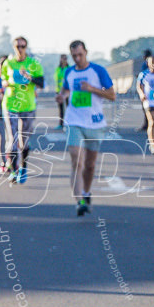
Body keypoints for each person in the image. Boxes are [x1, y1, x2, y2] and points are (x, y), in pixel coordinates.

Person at [58, 40, 116, 216]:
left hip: (95, 123)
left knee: (90, 164)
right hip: (73, 121)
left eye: (80, 55)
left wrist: (92, 89)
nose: (77, 58)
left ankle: (86, 192)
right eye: (74, 55)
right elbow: (66, 90)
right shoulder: (69, 72)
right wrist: (61, 97)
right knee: (77, 160)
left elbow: (112, 95)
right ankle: (80, 202)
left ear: (86, 52)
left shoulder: (98, 71)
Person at [0, 35, 45, 183]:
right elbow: (3, 78)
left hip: (28, 106)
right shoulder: (8, 63)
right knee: (12, 140)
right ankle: (13, 170)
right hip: (11, 105)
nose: (20, 49)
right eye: (17, 46)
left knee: (23, 142)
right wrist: (5, 82)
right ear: (13, 48)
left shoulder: (33, 64)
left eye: (23, 46)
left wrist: (30, 77)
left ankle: (23, 167)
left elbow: (41, 83)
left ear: (26, 47)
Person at [136, 55, 154, 154]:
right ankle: (153, 145)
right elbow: (139, 85)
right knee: (151, 122)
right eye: (151, 63)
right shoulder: (143, 74)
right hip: (149, 101)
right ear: (148, 64)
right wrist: (141, 94)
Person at [54, 53, 71, 128]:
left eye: (65, 58)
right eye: (63, 58)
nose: (64, 60)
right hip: (59, 90)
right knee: (61, 109)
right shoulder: (58, 68)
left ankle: (69, 123)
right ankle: (61, 124)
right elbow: (56, 78)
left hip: (67, 91)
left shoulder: (69, 68)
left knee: (68, 107)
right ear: (60, 59)